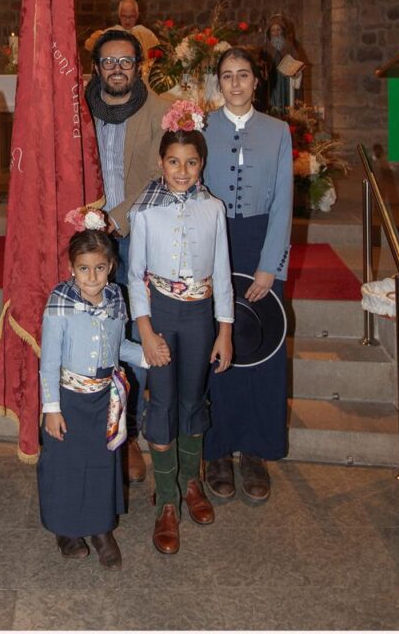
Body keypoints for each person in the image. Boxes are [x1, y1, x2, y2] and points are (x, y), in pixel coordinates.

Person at [128, 112, 234, 554]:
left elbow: (222, 273)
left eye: (191, 162)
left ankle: (191, 482)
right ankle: (166, 500)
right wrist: (146, 331)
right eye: (174, 161)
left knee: (193, 399)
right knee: (163, 403)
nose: (183, 171)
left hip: (199, 316)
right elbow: (135, 275)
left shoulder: (214, 209)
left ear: (201, 164)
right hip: (161, 315)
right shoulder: (144, 211)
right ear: (161, 163)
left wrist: (224, 331)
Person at [202, 47, 293, 503]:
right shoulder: (200, 127)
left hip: (260, 244)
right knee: (215, 349)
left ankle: (255, 450)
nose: (235, 83)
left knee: (260, 348)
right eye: (227, 76)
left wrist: (269, 267)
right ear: (218, 82)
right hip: (213, 242)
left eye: (243, 75)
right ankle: (218, 449)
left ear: (257, 81)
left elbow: (283, 201)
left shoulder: (278, 132)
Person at [38, 229, 148, 570]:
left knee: (103, 465)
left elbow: (119, 347)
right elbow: (49, 361)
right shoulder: (60, 302)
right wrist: (51, 408)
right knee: (67, 466)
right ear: (72, 268)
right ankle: (66, 530)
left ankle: (101, 530)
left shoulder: (116, 298)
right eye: (84, 268)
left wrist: (149, 356)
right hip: (69, 401)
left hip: (105, 401)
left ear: (111, 266)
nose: (92, 277)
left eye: (99, 268)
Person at [84, 29, 166, 482]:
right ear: (97, 67)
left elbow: (158, 177)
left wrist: (115, 219)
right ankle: (97, 421)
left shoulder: (157, 111)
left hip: (135, 236)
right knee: (95, 329)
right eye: (109, 62)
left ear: (139, 66)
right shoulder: (79, 110)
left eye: (126, 62)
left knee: (135, 330)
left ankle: (131, 431)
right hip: (87, 238)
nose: (117, 70)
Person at [84, 0, 159, 58]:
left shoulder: (147, 35)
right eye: (124, 16)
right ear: (119, 15)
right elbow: (89, 45)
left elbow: (158, 57)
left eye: (131, 16)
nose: (127, 20)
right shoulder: (109, 33)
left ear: (137, 15)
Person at [263, 14, 302, 110]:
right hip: (272, 80)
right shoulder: (266, 48)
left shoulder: (289, 46)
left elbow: (297, 62)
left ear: (282, 31)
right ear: (269, 33)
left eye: (278, 30)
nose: (276, 33)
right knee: (272, 101)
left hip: (286, 80)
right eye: (273, 30)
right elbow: (262, 64)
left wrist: (295, 71)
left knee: (287, 101)